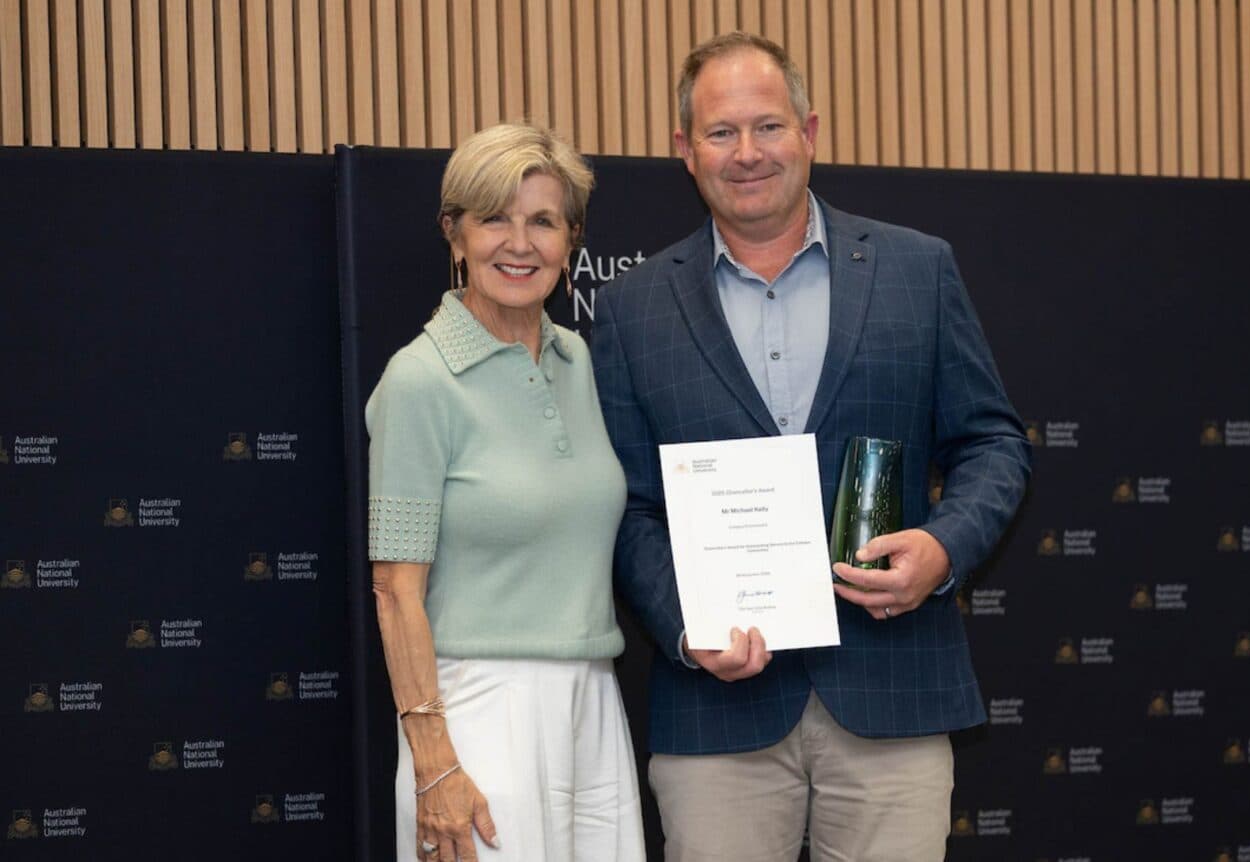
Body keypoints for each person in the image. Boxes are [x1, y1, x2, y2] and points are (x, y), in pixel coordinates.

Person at [591, 32, 1031, 861]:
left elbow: (993, 444)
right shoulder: (630, 309)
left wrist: (942, 548)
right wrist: (687, 628)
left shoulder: (917, 270)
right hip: (717, 720)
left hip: (894, 703)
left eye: (769, 126)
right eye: (721, 133)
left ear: (811, 131)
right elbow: (627, 505)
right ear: (685, 150)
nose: (747, 152)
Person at [366, 123, 645, 862]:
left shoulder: (575, 359)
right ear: (454, 234)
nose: (518, 243)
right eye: (494, 218)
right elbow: (395, 589)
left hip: (592, 697)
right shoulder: (418, 380)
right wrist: (434, 763)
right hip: (478, 712)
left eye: (542, 221)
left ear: (571, 240)